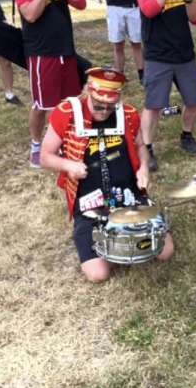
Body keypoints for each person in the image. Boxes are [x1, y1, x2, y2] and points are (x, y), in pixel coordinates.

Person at [40, 67, 174, 282]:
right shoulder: (66, 113)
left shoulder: (128, 114)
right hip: (89, 202)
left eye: (110, 107)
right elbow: (45, 157)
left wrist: (143, 168)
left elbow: (141, 146)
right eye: (99, 105)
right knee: (98, 274)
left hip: (128, 195)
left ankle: (129, 228)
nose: (104, 111)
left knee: (165, 252)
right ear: (88, 94)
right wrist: (68, 165)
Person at [13, 0, 87, 169]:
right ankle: (36, 145)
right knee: (42, 105)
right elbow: (31, 14)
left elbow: (80, 3)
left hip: (65, 49)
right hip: (41, 52)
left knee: (71, 101)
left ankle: (68, 143)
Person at [136, 0, 196, 169]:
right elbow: (148, 10)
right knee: (154, 106)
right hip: (158, 55)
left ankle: (186, 135)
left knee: (193, 101)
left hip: (184, 53)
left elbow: (195, 19)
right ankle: (147, 147)